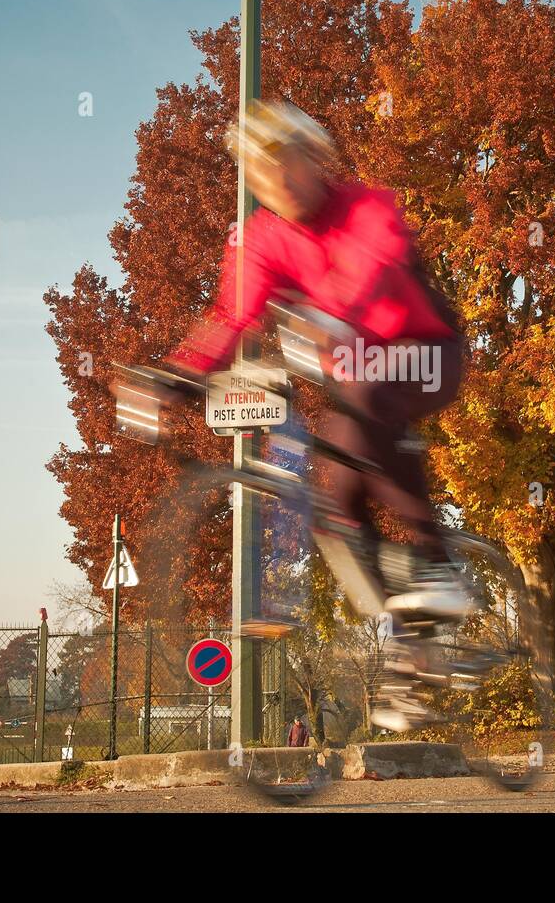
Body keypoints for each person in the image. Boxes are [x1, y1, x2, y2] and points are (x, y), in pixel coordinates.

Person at [155, 101, 469, 730]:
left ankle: (439, 566)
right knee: (339, 501)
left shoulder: (369, 206)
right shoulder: (262, 238)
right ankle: (413, 654)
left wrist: (333, 316)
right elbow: (231, 314)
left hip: (424, 352)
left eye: (287, 165)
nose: (278, 183)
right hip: (357, 376)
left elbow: (376, 270)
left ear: (314, 158)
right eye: (261, 175)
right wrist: (177, 377)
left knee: (375, 400)